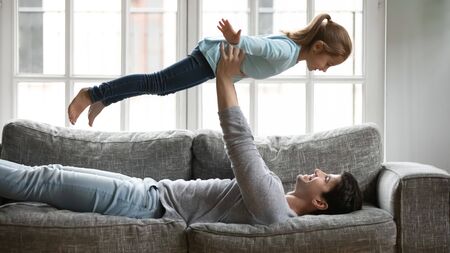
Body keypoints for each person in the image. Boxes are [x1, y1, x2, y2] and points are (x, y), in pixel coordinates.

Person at [0, 44, 362, 225]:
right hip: (148, 192)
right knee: (44, 180)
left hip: (147, 204)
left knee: (45, 179)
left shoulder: (272, 204)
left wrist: (224, 75)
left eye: (325, 178)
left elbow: (239, 140)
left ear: (320, 203)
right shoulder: (274, 200)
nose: (317, 171)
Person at [68, 13, 352, 126]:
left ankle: (104, 98)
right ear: (318, 48)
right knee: (157, 83)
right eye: (328, 63)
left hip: (211, 62)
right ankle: (92, 93)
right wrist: (236, 40)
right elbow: (259, 46)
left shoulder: (292, 54)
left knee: (159, 87)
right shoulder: (288, 51)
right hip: (209, 58)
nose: (324, 69)